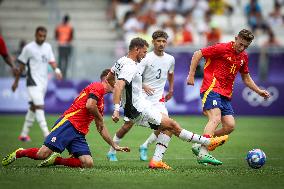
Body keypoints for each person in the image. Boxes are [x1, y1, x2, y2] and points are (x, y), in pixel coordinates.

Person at [109, 37, 228, 169]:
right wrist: (116, 108)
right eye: (143, 52)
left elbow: (110, 78)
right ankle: (208, 141)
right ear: (136, 49)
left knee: (167, 127)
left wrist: (125, 95)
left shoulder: (121, 61)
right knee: (172, 124)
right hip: (137, 107)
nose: (144, 56)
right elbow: (119, 85)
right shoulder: (130, 65)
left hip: (139, 104)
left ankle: (156, 161)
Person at [2, 69, 130, 168]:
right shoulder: (97, 86)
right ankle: (19, 153)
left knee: (88, 163)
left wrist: (114, 145)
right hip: (68, 124)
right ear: (108, 78)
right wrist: (100, 118)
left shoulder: (101, 103)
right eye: (116, 79)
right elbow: (90, 105)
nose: (119, 83)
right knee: (42, 154)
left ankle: (56, 160)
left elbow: (100, 127)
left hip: (79, 133)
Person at [186, 29, 271, 165]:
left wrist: (258, 91)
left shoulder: (243, 56)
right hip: (211, 87)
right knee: (215, 118)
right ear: (236, 38)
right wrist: (191, 75)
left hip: (225, 93)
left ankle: (200, 144)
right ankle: (203, 152)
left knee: (230, 126)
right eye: (241, 44)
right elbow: (198, 53)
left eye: (245, 46)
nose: (242, 48)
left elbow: (246, 78)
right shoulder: (221, 48)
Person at [107, 30, 175, 162]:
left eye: (164, 41)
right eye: (158, 41)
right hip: (141, 98)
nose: (161, 44)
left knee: (165, 124)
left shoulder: (170, 59)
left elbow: (170, 73)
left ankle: (145, 146)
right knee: (127, 125)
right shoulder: (145, 57)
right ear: (153, 42)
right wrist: (143, 85)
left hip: (158, 99)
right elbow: (133, 76)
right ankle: (111, 150)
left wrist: (171, 89)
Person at [12, 26, 63, 142]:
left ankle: (24, 134)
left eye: (44, 36)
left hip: (43, 82)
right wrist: (16, 82)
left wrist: (57, 70)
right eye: (40, 36)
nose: (42, 38)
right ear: (35, 35)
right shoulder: (28, 48)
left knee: (33, 107)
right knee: (39, 106)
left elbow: (52, 61)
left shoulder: (47, 47)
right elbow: (21, 67)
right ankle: (47, 134)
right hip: (32, 81)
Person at [55, 14, 74, 79]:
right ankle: (64, 76)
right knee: (65, 62)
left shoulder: (58, 27)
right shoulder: (70, 28)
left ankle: (59, 76)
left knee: (60, 61)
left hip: (60, 45)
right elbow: (71, 37)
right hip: (67, 46)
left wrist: (60, 41)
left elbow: (56, 36)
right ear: (68, 20)